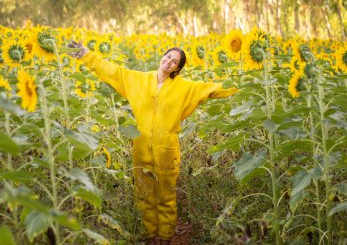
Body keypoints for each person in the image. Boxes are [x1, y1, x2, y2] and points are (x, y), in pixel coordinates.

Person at [68, 41, 239, 245]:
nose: (168, 62)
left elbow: (211, 90)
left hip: (167, 146)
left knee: (166, 194)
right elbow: (112, 71)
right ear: (163, 57)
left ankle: (165, 238)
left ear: (177, 68)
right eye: (168, 57)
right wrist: (87, 55)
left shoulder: (185, 88)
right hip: (141, 144)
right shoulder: (138, 80)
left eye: (174, 62)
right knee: (143, 191)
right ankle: (150, 237)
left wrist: (241, 85)